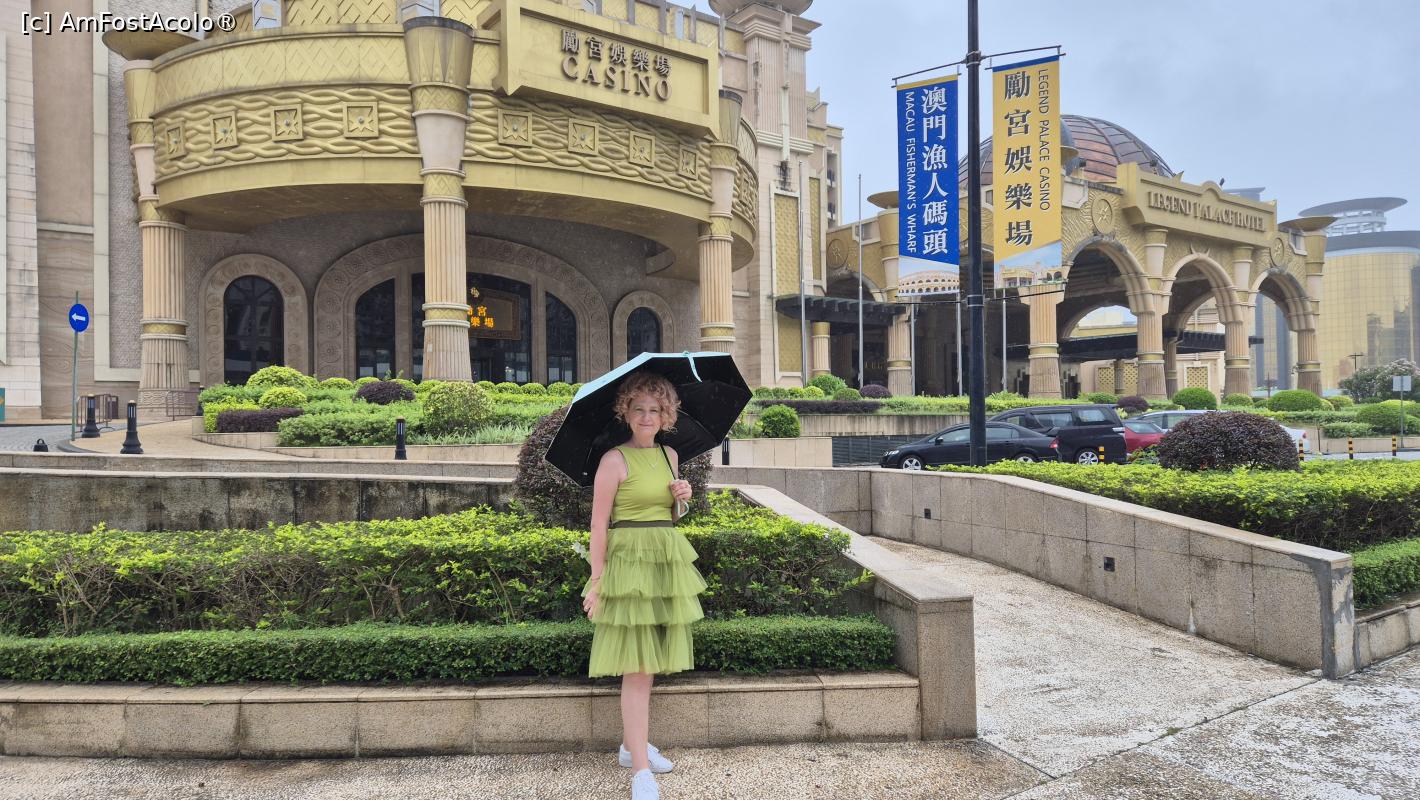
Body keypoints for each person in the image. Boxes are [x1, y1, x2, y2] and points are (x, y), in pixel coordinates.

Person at [583, 371, 706, 800]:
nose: (647, 416)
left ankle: (629, 747)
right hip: (629, 567)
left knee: (647, 665)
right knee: (637, 669)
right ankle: (639, 771)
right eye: (639, 409)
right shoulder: (613, 460)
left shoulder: (671, 455)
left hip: (664, 562)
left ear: (667, 415)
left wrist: (682, 498)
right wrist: (597, 583)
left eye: (655, 409)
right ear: (626, 412)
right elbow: (598, 526)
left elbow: (671, 515)